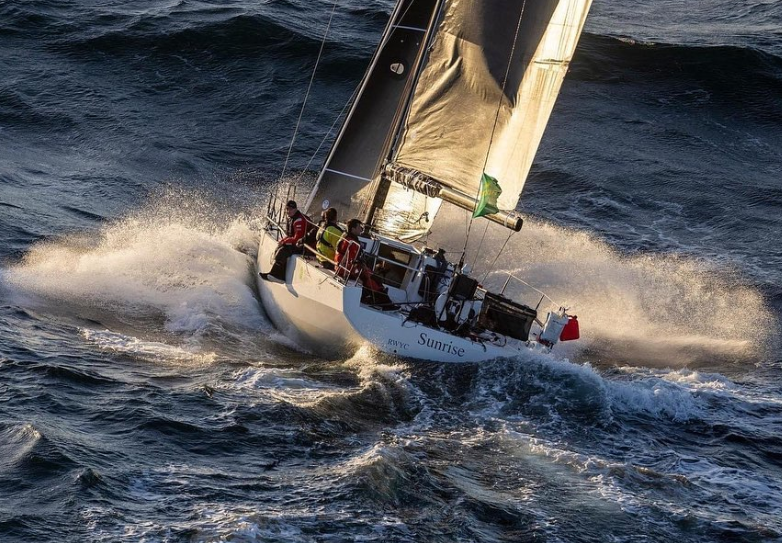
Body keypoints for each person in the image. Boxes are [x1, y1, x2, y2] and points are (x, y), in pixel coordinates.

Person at [262, 200, 308, 281]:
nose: (288, 211)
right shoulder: (291, 217)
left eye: (290, 209)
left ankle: (276, 275)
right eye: (287, 209)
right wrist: (282, 241)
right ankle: (277, 273)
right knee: (282, 247)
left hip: (305, 246)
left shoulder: (299, 220)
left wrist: (283, 242)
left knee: (284, 250)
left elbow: (297, 239)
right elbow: (290, 236)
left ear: (295, 209)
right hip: (299, 243)